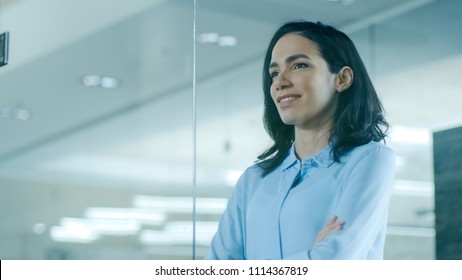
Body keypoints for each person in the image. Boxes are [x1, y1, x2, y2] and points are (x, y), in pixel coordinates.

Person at [206, 20, 396, 260]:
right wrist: (310, 256)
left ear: (343, 78)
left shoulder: (370, 160)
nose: (279, 82)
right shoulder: (253, 181)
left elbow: (335, 261)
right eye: (274, 73)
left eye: (299, 65)